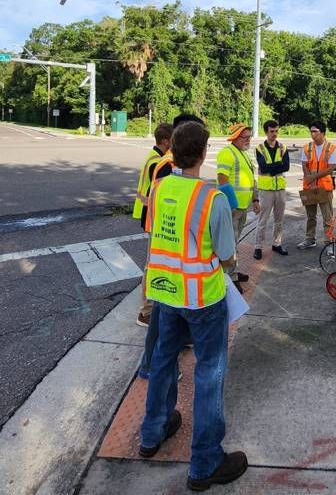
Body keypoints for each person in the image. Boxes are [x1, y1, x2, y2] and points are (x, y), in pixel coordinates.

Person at [138, 120, 248, 490]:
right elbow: (227, 255)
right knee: (208, 373)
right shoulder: (211, 198)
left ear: (173, 151)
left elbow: (155, 235)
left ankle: (152, 433)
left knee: (162, 361)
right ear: (203, 154)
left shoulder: (160, 187)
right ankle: (204, 462)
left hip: (166, 293)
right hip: (202, 297)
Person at [133, 123, 174, 327]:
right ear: (166, 141)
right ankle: (146, 312)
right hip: (152, 215)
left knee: (152, 262)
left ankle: (150, 306)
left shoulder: (152, 156)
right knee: (152, 264)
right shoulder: (158, 161)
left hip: (148, 213)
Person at [296, 121, 336, 250]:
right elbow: (304, 165)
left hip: (324, 188)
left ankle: (328, 242)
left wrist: (313, 178)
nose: (312, 134)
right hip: (309, 187)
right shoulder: (307, 147)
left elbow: (331, 167)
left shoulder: (331, 147)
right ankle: (310, 239)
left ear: (323, 132)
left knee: (328, 217)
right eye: (311, 131)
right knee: (310, 216)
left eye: (315, 131)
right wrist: (312, 182)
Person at [217, 123, 260, 244]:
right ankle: (230, 262)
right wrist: (231, 205)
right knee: (228, 242)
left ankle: (233, 259)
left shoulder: (244, 154)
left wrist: (255, 200)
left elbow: (252, 179)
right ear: (235, 137)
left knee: (234, 241)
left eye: (249, 137)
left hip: (242, 207)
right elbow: (222, 179)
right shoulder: (227, 152)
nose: (248, 140)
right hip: (233, 208)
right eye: (245, 137)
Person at [254, 119, 289, 259]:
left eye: (276, 131)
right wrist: (278, 165)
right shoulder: (260, 148)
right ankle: (258, 247)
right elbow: (263, 167)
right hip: (266, 191)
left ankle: (276, 243)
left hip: (280, 189)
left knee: (279, 219)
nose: (274, 134)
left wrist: (273, 168)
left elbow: (286, 166)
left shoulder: (283, 147)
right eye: (271, 131)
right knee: (263, 220)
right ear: (266, 132)